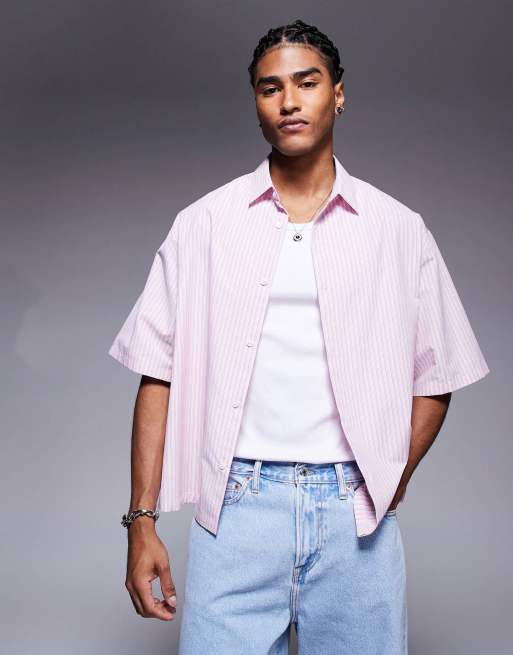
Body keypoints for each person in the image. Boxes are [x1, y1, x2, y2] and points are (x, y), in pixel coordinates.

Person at [108, 19, 490, 655]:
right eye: (270, 88)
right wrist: (140, 522)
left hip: (353, 519)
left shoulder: (398, 229)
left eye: (307, 83)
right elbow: (158, 373)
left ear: (337, 95)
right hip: (236, 512)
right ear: (256, 104)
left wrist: (390, 476)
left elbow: (438, 374)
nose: (288, 101)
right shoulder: (204, 225)